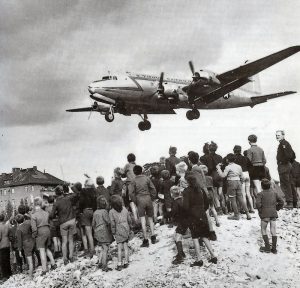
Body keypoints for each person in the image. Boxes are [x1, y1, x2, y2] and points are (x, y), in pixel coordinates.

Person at [183, 172, 217, 267]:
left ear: (188, 182)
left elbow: (185, 206)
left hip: (193, 216)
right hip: (202, 214)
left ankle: (199, 259)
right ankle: (213, 256)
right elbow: (206, 204)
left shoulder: (186, 191)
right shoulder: (201, 190)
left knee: (195, 237)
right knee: (204, 236)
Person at [216, 154, 252, 220]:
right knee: (241, 199)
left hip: (231, 182)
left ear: (227, 160)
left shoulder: (228, 167)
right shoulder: (239, 166)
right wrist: (240, 182)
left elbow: (223, 175)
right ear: (234, 159)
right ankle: (248, 214)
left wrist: (218, 169)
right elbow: (242, 176)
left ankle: (236, 215)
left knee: (233, 199)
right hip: (238, 182)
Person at [129, 165, 157, 247]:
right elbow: (153, 189)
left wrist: (135, 201)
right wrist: (151, 197)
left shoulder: (133, 180)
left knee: (142, 219)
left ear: (134, 172)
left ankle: (145, 240)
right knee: (150, 218)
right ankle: (153, 237)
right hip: (148, 198)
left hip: (139, 199)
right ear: (141, 171)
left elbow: (131, 193)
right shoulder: (147, 178)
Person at [50, 185, 78, 264]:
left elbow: (51, 215)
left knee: (64, 241)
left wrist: (56, 214)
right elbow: (77, 193)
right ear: (62, 192)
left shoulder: (56, 203)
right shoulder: (68, 198)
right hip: (72, 220)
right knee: (71, 240)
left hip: (63, 222)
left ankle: (65, 259)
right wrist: (71, 186)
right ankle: (71, 257)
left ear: (56, 193)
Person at [256, 179, 284, 253]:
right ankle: (274, 249)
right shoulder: (274, 193)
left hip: (265, 214)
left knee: (263, 229)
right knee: (273, 230)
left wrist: (260, 212)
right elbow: (282, 201)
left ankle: (267, 247)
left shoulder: (260, 194)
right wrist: (277, 208)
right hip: (273, 214)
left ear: (262, 186)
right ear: (270, 185)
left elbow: (258, 204)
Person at [31, 197, 56, 275]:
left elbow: (34, 229)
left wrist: (34, 236)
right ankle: (53, 264)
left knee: (41, 250)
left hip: (40, 232)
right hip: (47, 230)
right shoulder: (46, 213)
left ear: (35, 204)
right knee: (46, 248)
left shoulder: (33, 215)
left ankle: (44, 269)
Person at [201, 142, 226, 214]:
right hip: (220, 174)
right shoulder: (220, 157)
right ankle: (224, 208)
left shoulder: (206, 157)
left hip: (212, 175)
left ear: (209, 148)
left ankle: (218, 209)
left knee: (215, 194)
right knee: (221, 193)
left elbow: (208, 168)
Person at [109, 195, 132, 271]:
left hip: (118, 229)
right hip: (125, 228)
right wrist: (130, 227)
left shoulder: (111, 212)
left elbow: (112, 223)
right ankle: (126, 262)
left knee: (119, 248)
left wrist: (113, 232)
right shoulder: (125, 209)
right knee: (126, 246)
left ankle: (119, 264)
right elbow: (129, 219)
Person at [276, 130, 296, 209]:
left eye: (279, 135)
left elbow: (290, 155)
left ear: (283, 135)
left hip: (284, 166)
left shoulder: (283, 143)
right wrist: (289, 163)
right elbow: (293, 155)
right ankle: (293, 202)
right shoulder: (285, 143)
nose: (277, 136)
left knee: (285, 184)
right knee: (290, 183)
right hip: (287, 165)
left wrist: (282, 162)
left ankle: (289, 203)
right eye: (276, 135)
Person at [92, 196, 113, 272]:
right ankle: (104, 266)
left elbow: (93, 224)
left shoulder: (95, 212)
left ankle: (100, 263)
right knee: (105, 249)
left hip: (97, 232)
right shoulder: (104, 212)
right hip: (104, 231)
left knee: (102, 247)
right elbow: (108, 222)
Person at [78, 178, 97, 258]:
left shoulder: (83, 191)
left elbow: (81, 201)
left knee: (88, 233)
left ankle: (91, 250)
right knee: (93, 231)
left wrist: (81, 211)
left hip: (85, 211)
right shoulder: (94, 191)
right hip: (93, 211)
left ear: (85, 184)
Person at [233, 145, 255, 213]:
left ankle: (244, 209)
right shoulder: (245, 158)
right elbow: (251, 167)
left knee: (243, 194)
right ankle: (252, 208)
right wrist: (248, 172)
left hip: (241, 175)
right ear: (240, 150)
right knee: (248, 193)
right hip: (247, 174)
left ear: (234, 150)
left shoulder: (234, 159)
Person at [16, 214, 35, 279]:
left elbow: (19, 241)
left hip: (26, 243)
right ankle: (33, 269)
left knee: (29, 261)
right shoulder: (28, 224)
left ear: (17, 221)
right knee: (32, 256)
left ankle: (30, 276)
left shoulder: (18, 229)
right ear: (23, 219)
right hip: (32, 241)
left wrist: (20, 251)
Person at [122, 153, 139, 224]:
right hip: (138, 184)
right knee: (137, 202)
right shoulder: (137, 166)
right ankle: (140, 219)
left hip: (130, 185)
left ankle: (136, 220)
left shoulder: (127, 165)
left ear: (128, 159)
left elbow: (122, 175)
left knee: (132, 202)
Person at [0, 213, 12, 281]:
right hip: (7, 244)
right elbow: (10, 236)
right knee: (7, 259)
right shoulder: (7, 226)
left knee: (2, 261)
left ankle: (4, 275)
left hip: (1, 245)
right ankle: (9, 273)